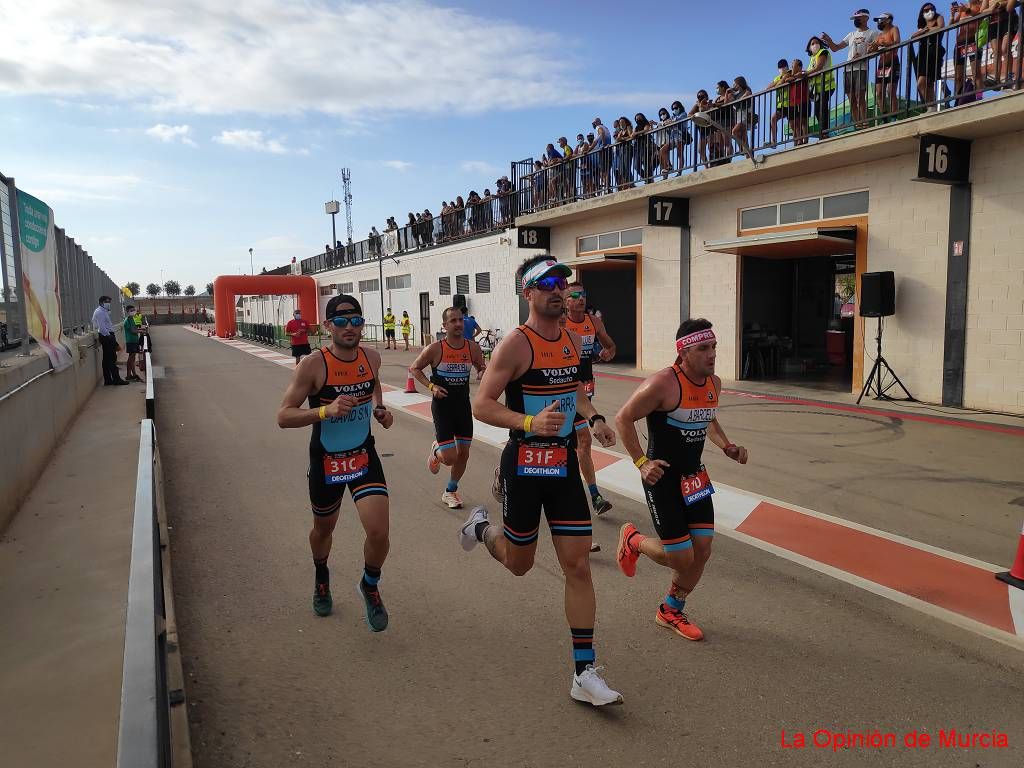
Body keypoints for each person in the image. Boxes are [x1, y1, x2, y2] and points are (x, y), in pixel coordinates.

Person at [460, 255, 623, 707]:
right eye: (547, 283)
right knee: (520, 563)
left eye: (564, 282)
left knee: (578, 565)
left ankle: (584, 672)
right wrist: (530, 423)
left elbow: (573, 387)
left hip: (564, 466)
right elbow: (483, 404)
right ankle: (479, 527)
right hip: (525, 465)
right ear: (527, 293)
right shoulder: (515, 343)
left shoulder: (572, 339)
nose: (560, 289)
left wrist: (594, 417)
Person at [614, 319, 749, 642]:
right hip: (663, 478)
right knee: (681, 556)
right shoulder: (662, 384)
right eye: (703, 348)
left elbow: (709, 417)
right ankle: (633, 540)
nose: (712, 354)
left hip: (695, 477)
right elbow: (623, 419)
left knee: (702, 549)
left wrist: (727, 446)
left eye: (714, 346)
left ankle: (671, 608)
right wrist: (641, 462)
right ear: (684, 352)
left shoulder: (713, 382)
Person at [276, 295, 394, 629]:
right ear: (328, 326)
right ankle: (321, 574)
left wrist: (380, 410)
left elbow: (372, 388)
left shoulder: (372, 357)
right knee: (323, 529)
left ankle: (369, 586)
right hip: (326, 458)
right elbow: (283, 416)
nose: (349, 327)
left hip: (362, 454)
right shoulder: (313, 364)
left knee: (379, 531)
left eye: (355, 320)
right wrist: (325, 410)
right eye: (341, 322)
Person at [410, 307, 486, 509]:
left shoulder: (472, 348)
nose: (459, 324)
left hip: (462, 406)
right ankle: (436, 451)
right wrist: (431, 386)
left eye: (460, 320)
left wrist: (481, 372)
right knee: (450, 458)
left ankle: (450, 491)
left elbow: (481, 366)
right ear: (444, 326)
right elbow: (415, 368)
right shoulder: (435, 349)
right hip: (442, 407)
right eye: (453, 321)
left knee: (464, 454)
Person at [563, 282, 617, 517]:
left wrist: (608, 353)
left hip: (584, 390)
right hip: (560, 390)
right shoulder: (559, 324)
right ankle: (508, 475)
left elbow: (611, 345)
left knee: (583, 442)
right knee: (555, 443)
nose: (580, 298)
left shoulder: (593, 322)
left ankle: (594, 495)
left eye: (582, 294)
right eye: (574, 295)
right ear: (566, 301)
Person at [822, 10, 879, 129]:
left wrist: (866, 54)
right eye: (855, 18)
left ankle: (864, 122)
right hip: (848, 69)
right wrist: (828, 40)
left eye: (858, 18)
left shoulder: (872, 33)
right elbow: (836, 48)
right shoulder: (851, 34)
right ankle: (857, 123)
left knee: (860, 96)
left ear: (865, 18)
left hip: (861, 68)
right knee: (851, 98)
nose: (856, 20)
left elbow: (878, 48)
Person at [911, 3, 946, 107]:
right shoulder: (922, 26)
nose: (929, 11)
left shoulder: (939, 18)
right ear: (922, 13)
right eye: (926, 10)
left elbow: (940, 27)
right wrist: (923, 31)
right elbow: (912, 36)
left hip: (933, 51)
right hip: (922, 54)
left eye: (931, 9)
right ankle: (932, 106)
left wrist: (925, 31)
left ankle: (932, 105)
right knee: (924, 83)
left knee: (926, 82)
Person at [868, 12, 902, 120]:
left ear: (888, 20)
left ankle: (894, 117)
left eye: (881, 19)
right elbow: (872, 51)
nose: (879, 22)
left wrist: (883, 44)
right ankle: (884, 117)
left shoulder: (894, 29)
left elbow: (897, 42)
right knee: (879, 92)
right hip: (881, 63)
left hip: (892, 61)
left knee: (891, 91)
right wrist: (871, 48)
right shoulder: (880, 35)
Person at [92, 295, 127, 386]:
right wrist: (109, 336)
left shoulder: (103, 311)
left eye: (109, 302)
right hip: (106, 336)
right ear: (101, 302)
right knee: (111, 358)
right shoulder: (100, 312)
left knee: (107, 359)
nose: (108, 304)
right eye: (107, 302)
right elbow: (102, 327)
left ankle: (108, 380)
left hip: (106, 336)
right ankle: (116, 379)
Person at [805, 36, 835, 139]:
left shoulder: (823, 52)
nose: (814, 45)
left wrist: (805, 74)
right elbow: (810, 71)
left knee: (822, 109)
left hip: (827, 85)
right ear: (809, 47)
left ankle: (825, 132)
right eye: (812, 43)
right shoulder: (812, 58)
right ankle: (823, 132)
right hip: (817, 88)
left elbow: (819, 67)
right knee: (818, 110)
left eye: (816, 42)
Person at [768, 59, 794, 147]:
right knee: (773, 118)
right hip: (781, 105)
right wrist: (779, 80)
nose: (782, 69)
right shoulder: (777, 78)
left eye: (783, 67)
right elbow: (768, 87)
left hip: (791, 103)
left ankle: (797, 142)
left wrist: (780, 81)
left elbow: (779, 85)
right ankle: (774, 141)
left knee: (793, 125)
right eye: (780, 67)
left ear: (787, 66)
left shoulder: (790, 72)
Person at [122, 304, 147, 382]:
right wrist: (141, 331)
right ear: (127, 312)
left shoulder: (132, 319)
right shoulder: (127, 320)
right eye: (131, 310)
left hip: (134, 341)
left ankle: (132, 375)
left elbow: (135, 328)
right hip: (131, 341)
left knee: (132, 358)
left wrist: (140, 330)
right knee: (131, 359)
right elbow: (133, 330)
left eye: (134, 310)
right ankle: (129, 375)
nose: (133, 312)